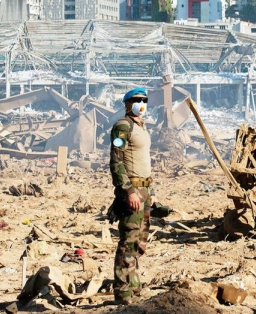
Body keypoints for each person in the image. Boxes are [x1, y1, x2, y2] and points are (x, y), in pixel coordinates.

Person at [108, 87, 156, 304]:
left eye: (144, 100)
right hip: (133, 190)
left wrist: (151, 191)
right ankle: (123, 290)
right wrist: (128, 191)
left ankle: (133, 285)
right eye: (137, 100)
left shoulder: (142, 127)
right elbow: (116, 161)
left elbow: (144, 161)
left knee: (139, 242)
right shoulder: (123, 127)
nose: (141, 103)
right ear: (127, 104)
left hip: (144, 189)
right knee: (128, 241)